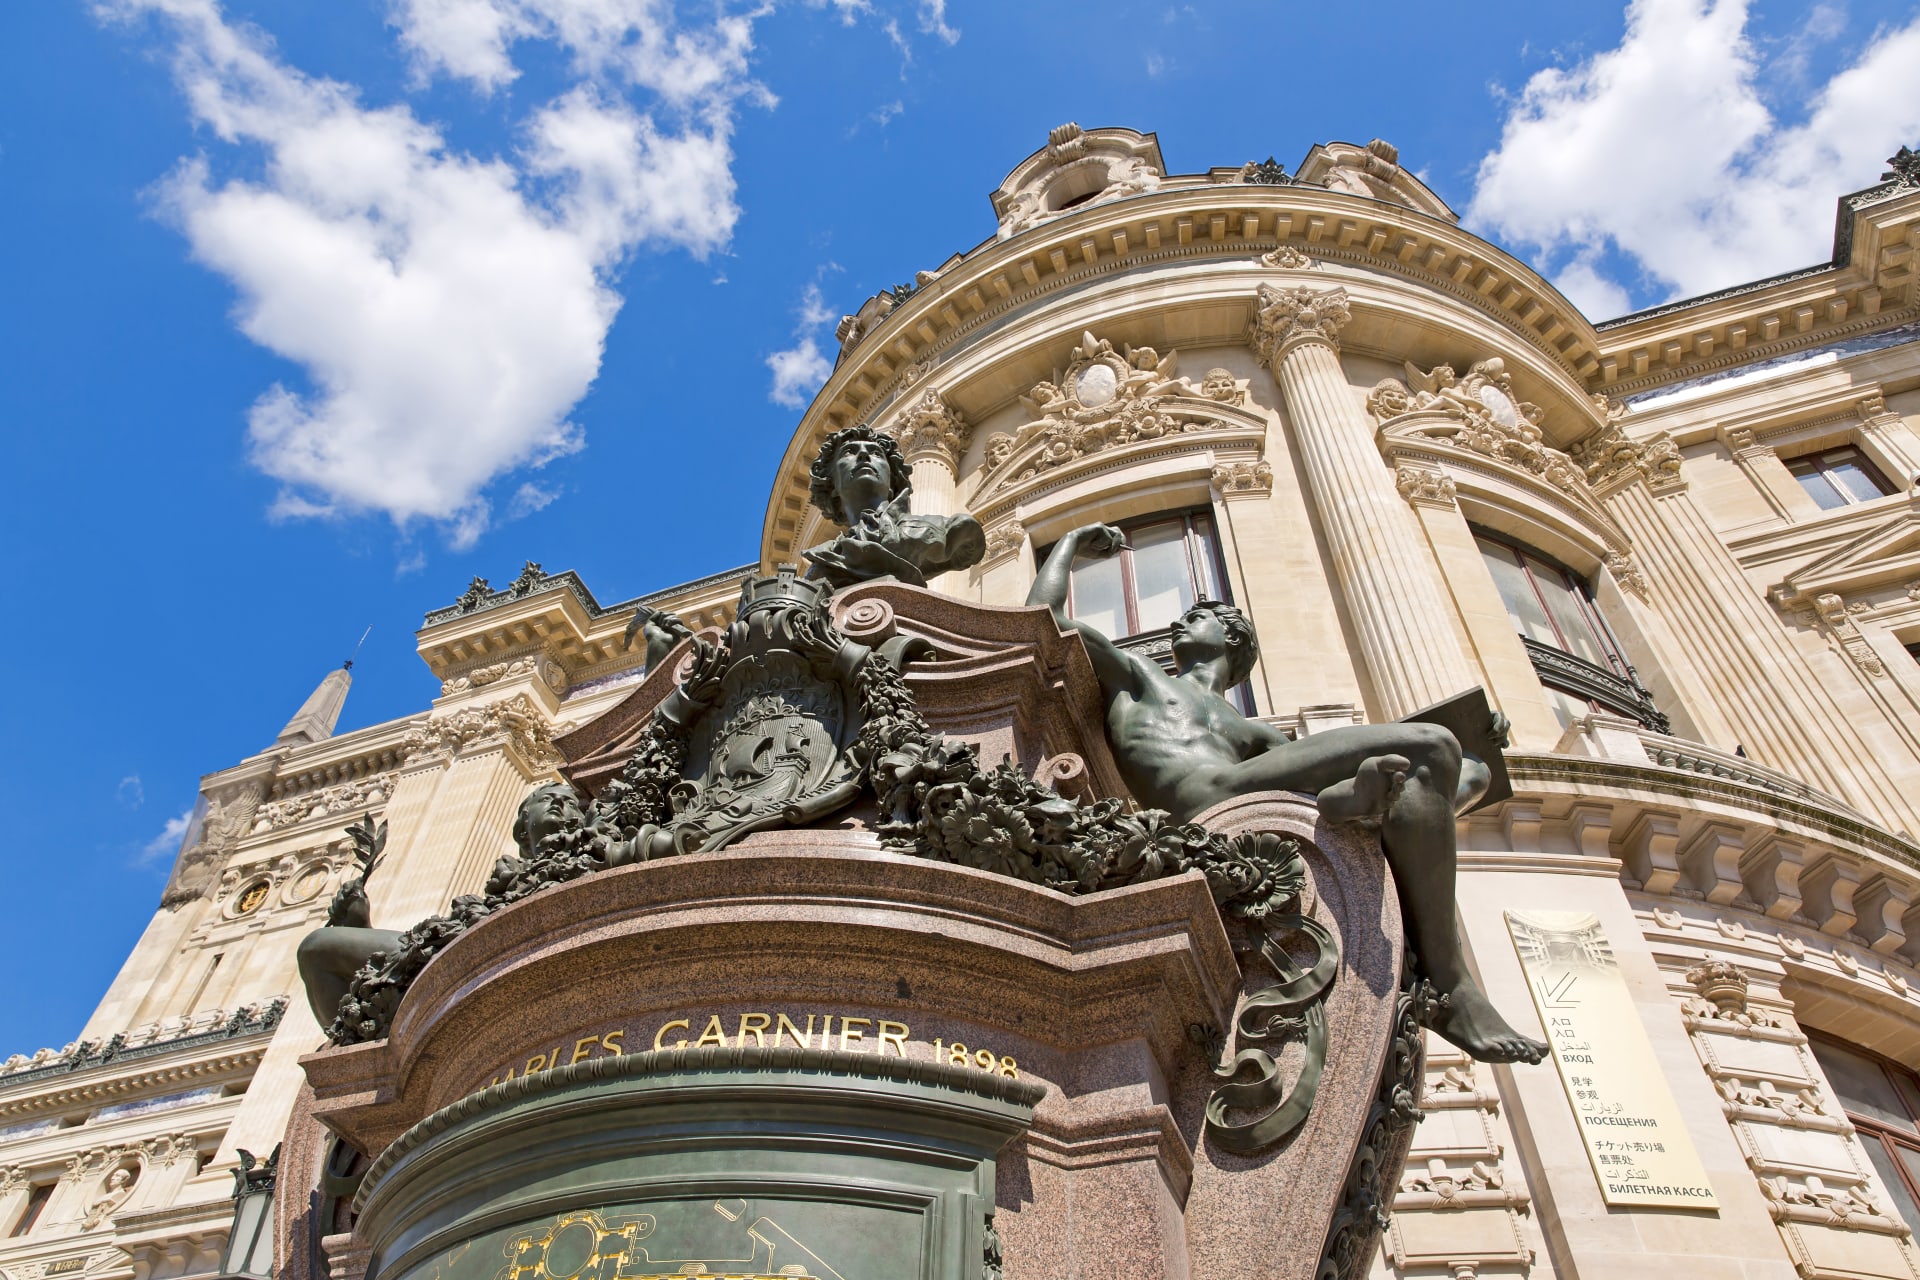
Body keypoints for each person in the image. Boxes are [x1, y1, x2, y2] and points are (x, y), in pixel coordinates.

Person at [1028, 523, 1547, 1064]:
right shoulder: (1139, 676)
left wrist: (1482, 742)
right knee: (1434, 744)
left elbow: (1307, 766)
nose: (1179, 621)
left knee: (1468, 774)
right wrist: (1072, 541)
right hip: (1208, 797)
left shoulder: (1250, 731)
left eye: (1197, 616)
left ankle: (1353, 803)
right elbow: (1045, 617)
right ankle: (1451, 980)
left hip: (1254, 794)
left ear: (1232, 638)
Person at [803, 426, 985, 587]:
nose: (864, 456)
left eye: (876, 453)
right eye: (849, 452)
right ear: (832, 484)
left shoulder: (932, 529)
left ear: (892, 481)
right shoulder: (825, 560)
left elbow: (967, 532)